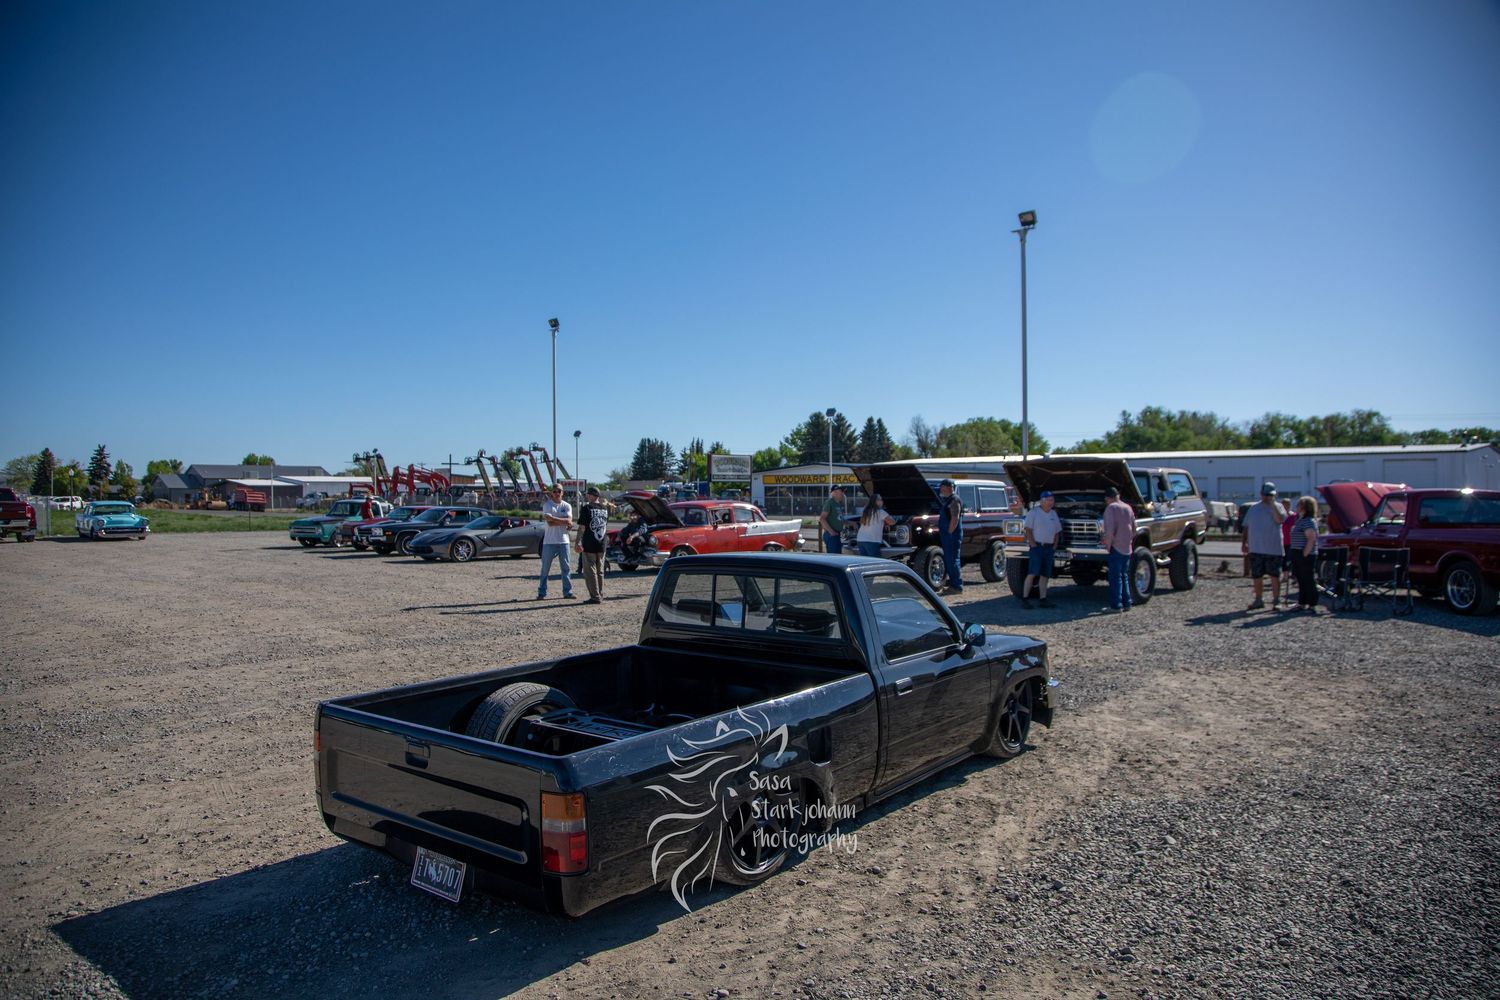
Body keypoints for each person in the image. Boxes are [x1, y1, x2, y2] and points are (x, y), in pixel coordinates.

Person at [1241, 481, 1287, 611]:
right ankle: (1258, 599)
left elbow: (1280, 520)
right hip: (1256, 548)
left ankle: (1276, 600)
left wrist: (1273, 506)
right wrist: (1244, 542)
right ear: (1261, 494)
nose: (1267, 497)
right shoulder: (1254, 508)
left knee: (1274, 575)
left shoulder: (1279, 507)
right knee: (1257, 575)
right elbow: (1246, 526)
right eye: (1265, 495)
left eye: (1270, 495)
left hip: (1274, 549)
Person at [1021, 490, 1062, 609]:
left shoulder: (1053, 514)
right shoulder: (1033, 513)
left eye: (1052, 500)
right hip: (1037, 547)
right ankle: (1025, 599)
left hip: (1049, 548)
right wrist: (1033, 544)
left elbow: (1057, 532)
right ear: (1042, 501)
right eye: (1049, 500)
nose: (1051, 503)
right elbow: (1027, 529)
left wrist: (1054, 545)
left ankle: (1043, 598)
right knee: (1032, 573)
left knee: (1045, 574)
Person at [574, 486, 614, 604]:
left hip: (590, 543)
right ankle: (600, 594)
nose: (587, 496)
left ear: (592, 495)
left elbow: (582, 527)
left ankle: (595, 596)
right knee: (600, 570)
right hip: (602, 543)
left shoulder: (587, 508)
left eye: (588, 494)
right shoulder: (605, 509)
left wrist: (577, 542)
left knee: (590, 570)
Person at [1101, 485, 1136, 612]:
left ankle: (1116, 605)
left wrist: (1107, 545)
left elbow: (1110, 530)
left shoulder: (1111, 508)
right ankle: (1127, 603)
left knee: (1115, 577)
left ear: (1107, 498)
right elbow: (1134, 527)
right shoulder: (1128, 507)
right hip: (1127, 546)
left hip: (1116, 547)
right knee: (1124, 576)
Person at [537, 484, 575, 599]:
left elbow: (569, 520)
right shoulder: (547, 505)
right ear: (552, 493)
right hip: (549, 541)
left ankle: (567, 592)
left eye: (559, 491)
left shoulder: (567, 505)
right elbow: (550, 523)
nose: (557, 493)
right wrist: (563, 521)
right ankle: (542, 593)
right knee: (545, 568)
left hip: (564, 541)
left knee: (566, 568)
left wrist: (554, 518)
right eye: (554, 491)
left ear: (562, 492)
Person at [1288, 495, 1320, 612]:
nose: (1296, 507)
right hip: (1297, 552)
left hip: (1305, 554)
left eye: (1299, 505)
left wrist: (1305, 554)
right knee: (1300, 579)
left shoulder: (1308, 521)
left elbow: (1311, 538)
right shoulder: (1300, 520)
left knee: (1308, 579)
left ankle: (1312, 603)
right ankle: (1302, 602)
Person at [936, 479, 964, 594]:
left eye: (942, 487)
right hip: (948, 535)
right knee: (949, 559)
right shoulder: (947, 500)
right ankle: (953, 584)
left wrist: (949, 532)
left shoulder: (954, 500)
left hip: (952, 535)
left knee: (952, 560)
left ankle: (956, 586)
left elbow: (955, 518)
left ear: (948, 487)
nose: (941, 489)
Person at [855, 493, 895, 557]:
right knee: (874, 562)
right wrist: (886, 523)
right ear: (876, 501)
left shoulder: (866, 511)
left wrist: (884, 523)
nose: (882, 501)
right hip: (871, 541)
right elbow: (892, 522)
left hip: (860, 540)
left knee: (865, 561)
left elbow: (873, 521)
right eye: (880, 499)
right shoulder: (880, 512)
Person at [820, 486, 847, 554]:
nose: (843, 494)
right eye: (841, 492)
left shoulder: (838, 504)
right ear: (834, 493)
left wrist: (852, 523)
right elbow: (822, 519)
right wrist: (831, 532)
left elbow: (840, 520)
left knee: (838, 557)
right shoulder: (829, 502)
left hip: (837, 535)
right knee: (833, 558)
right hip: (831, 535)